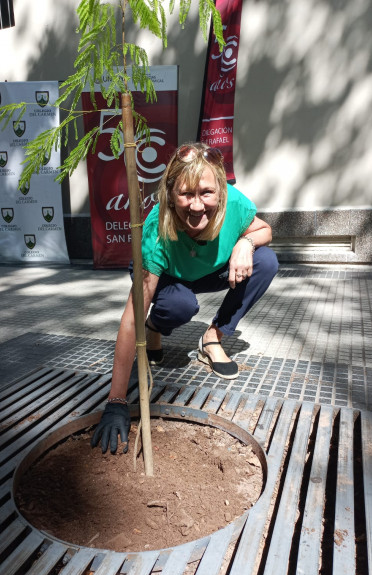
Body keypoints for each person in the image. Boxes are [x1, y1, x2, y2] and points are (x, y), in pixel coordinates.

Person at [91, 143, 278, 454]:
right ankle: (157, 327)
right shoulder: (155, 229)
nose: (196, 206)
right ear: (169, 192)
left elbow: (265, 231)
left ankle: (213, 337)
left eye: (206, 193)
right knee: (180, 306)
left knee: (266, 261)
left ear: (221, 190)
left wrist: (245, 242)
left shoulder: (235, 205)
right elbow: (131, 315)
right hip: (168, 277)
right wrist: (116, 400)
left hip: (209, 271)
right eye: (186, 194)